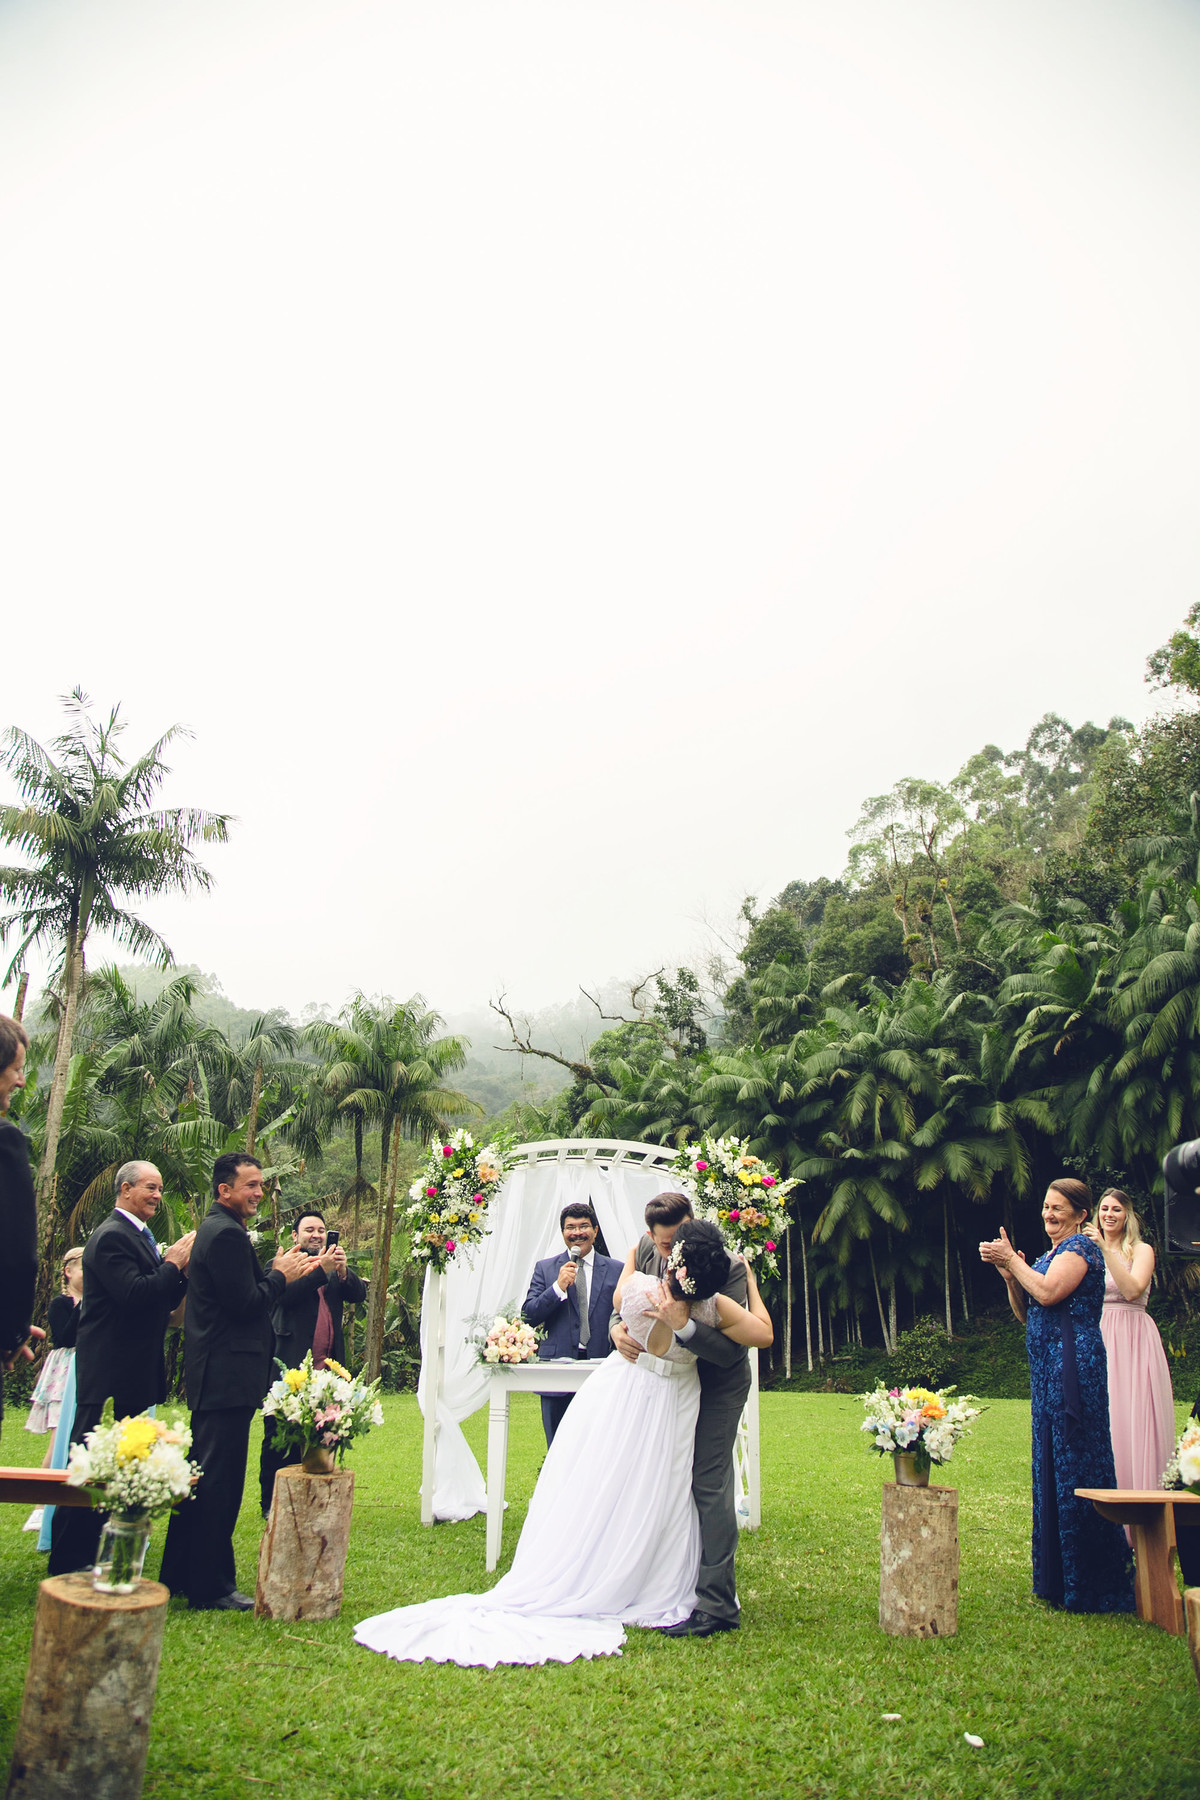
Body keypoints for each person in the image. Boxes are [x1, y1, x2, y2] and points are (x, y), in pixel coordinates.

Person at [355, 1219, 773, 1666]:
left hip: (670, 1394)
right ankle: (651, 1574)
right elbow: (738, 1333)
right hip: (663, 1393)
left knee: (672, 1489)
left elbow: (713, 1345)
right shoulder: (709, 1301)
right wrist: (620, 1328)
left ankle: (683, 1583)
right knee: (641, 1485)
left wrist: (668, 1320)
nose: (664, 1247)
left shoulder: (653, 1289)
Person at [158, 1153, 309, 1610]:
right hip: (226, 1373)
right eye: (251, 1185)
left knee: (200, 1475)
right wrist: (280, 1276)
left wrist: (274, 1274)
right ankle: (212, 1585)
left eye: (261, 1185)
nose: (259, 1193)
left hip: (219, 1372)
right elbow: (247, 1303)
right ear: (224, 1190)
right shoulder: (224, 1235)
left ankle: (181, 1573)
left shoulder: (221, 1231)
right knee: (218, 1482)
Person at [980, 1177, 1134, 1613]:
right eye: (1046, 1207)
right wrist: (1010, 1275)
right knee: (1051, 1459)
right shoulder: (1050, 1255)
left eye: (1058, 1208)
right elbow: (1028, 1312)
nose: (1049, 1214)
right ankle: (1057, 1577)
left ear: (1081, 1215)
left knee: (1076, 1459)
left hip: (1074, 1367)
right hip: (1047, 1368)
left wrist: (1015, 1260)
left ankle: (1091, 1581)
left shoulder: (1081, 1250)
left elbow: (1049, 1292)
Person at [609, 1188, 752, 1638]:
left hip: (717, 1384)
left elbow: (733, 1352)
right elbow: (630, 1303)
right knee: (661, 1479)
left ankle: (717, 1605)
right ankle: (663, 1580)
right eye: (664, 1245)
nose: (671, 1253)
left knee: (709, 1484)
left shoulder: (726, 1265)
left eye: (677, 1242)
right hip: (670, 1386)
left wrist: (683, 1327)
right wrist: (617, 1330)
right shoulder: (648, 1250)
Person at [48, 1161, 195, 1575]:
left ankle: (101, 1551)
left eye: (161, 1188)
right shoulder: (112, 1236)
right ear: (125, 1189)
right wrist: (171, 1262)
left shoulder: (139, 1237)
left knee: (119, 1465)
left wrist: (180, 1269)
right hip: (111, 1369)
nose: (157, 1195)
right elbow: (133, 1293)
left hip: (132, 1368)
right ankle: (69, 1560)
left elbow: (159, 1299)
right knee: (91, 1464)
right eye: (150, 1187)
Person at [258, 1207, 367, 1516]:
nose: (316, 1235)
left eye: (321, 1230)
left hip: (327, 1367)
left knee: (322, 1434)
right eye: (309, 1230)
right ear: (295, 1235)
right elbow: (284, 1297)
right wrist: (322, 1270)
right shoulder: (282, 1264)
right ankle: (271, 1502)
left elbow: (357, 1295)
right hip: (289, 1366)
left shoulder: (332, 1267)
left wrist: (342, 1272)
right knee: (280, 1437)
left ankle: (313, 1497)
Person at [1084, 1188, 1176, 1495]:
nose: (1109, 1215)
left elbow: (1134, 1289)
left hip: (1133, 1335)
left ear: (1128, 1216)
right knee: (1105, 1416)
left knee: (1133, 1415)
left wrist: (1107, 1252)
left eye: (1117, 1210)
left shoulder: (1141, 1250)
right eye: (1105, 1209)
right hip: (1099, 1334)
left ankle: (1144, 1512)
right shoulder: (1086, 1249)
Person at [521, 1203, 624, 1445]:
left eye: (583, 1226)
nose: (577, 1232)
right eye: (570, 1228)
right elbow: (528, 1316)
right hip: (556, 1371)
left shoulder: (617, 1269)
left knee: (600, 1446)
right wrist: (557, 1288)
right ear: (563, 1233)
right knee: (557, 1446)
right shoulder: (545, 1268)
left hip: (603, 1369)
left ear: (595, 1231)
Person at [24, 1248, 83, 1541]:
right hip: (64, 1370)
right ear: (68, 1271)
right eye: (83, 1268)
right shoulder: (61, 1304)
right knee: (56, 1441)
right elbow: (66, 1336)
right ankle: (39, 1504)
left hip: (87, 1369)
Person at [0, 1014, 41, 1439]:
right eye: (16, 1069)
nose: (21, 1082)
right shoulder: (4, 1139)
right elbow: (15, 1255)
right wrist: (10, 1330)